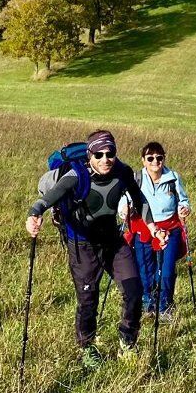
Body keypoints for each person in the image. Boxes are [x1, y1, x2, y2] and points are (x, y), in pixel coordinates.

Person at [26, 129, 158, 370]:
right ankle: (87, 346)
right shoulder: (77, 176)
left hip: (113, 242)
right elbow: (48, 199)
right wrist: (34, 215)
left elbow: (140, 201)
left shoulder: (123, 172)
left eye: (111, 153)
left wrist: (154, 229)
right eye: (99, 154)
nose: (105, 159)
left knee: (135, 290)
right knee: (88, 299)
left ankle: (127, 342)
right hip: (82, 245)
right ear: (90, 156)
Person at [129, 141, 191, 322]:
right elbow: (124, 200)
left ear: (164, 158)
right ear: (143, 160)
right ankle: (148, 303)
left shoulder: (173, 177)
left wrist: (184, 208)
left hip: (169, 228)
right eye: (150, 158)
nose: (155, 161)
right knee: (145, 269)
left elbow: (184, 200)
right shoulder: (136, 178)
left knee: (167, 270)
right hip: (143, 228)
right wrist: (125, 209)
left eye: (159, 157)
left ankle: (165, 306)